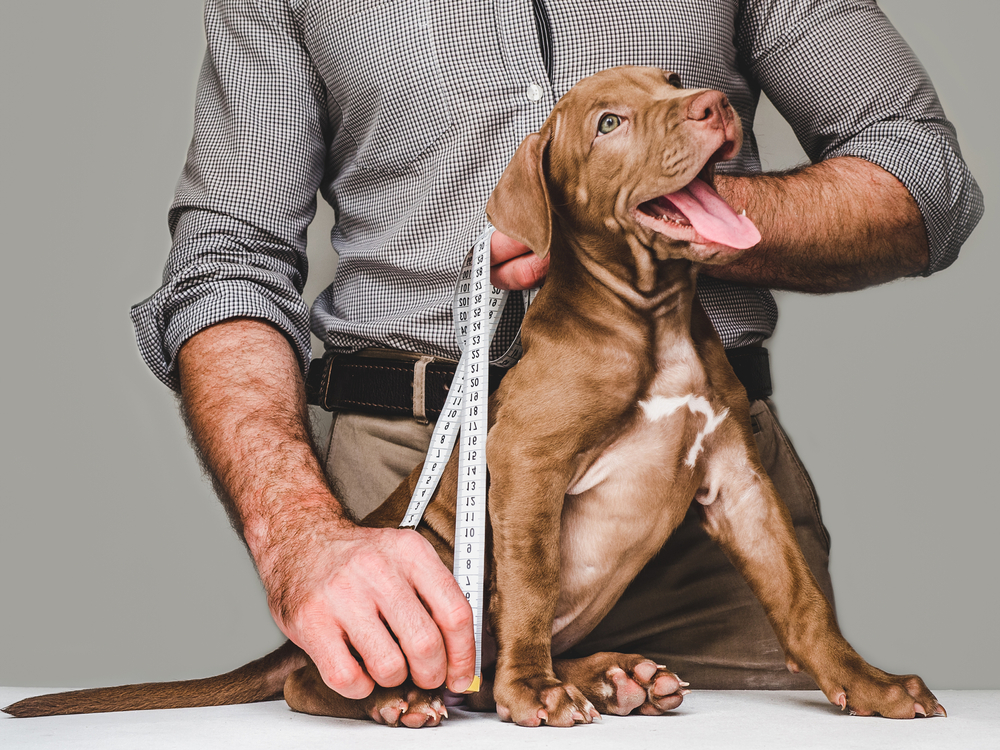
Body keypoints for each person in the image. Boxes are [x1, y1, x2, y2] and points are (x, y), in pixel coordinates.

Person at [132, 0, 982, 702]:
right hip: (417, 494)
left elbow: (924, 177)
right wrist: (296, 534)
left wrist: (651, 211)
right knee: (389, 692)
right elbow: (226, 261)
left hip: (697, 496)